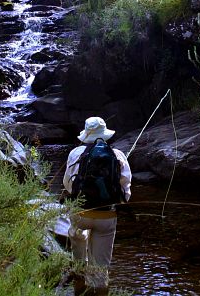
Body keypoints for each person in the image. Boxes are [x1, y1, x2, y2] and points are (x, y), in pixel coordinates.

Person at [62, 116, 132, 296]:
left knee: (78, 261)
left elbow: (69, 186)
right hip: (106, 217)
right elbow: (125, 193)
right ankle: (98, 290)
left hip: (80, 213)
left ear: (85, 134)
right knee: (100, 271)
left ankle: (79, 283)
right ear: (105, 134)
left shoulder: (75, 153)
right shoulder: (118, 155)